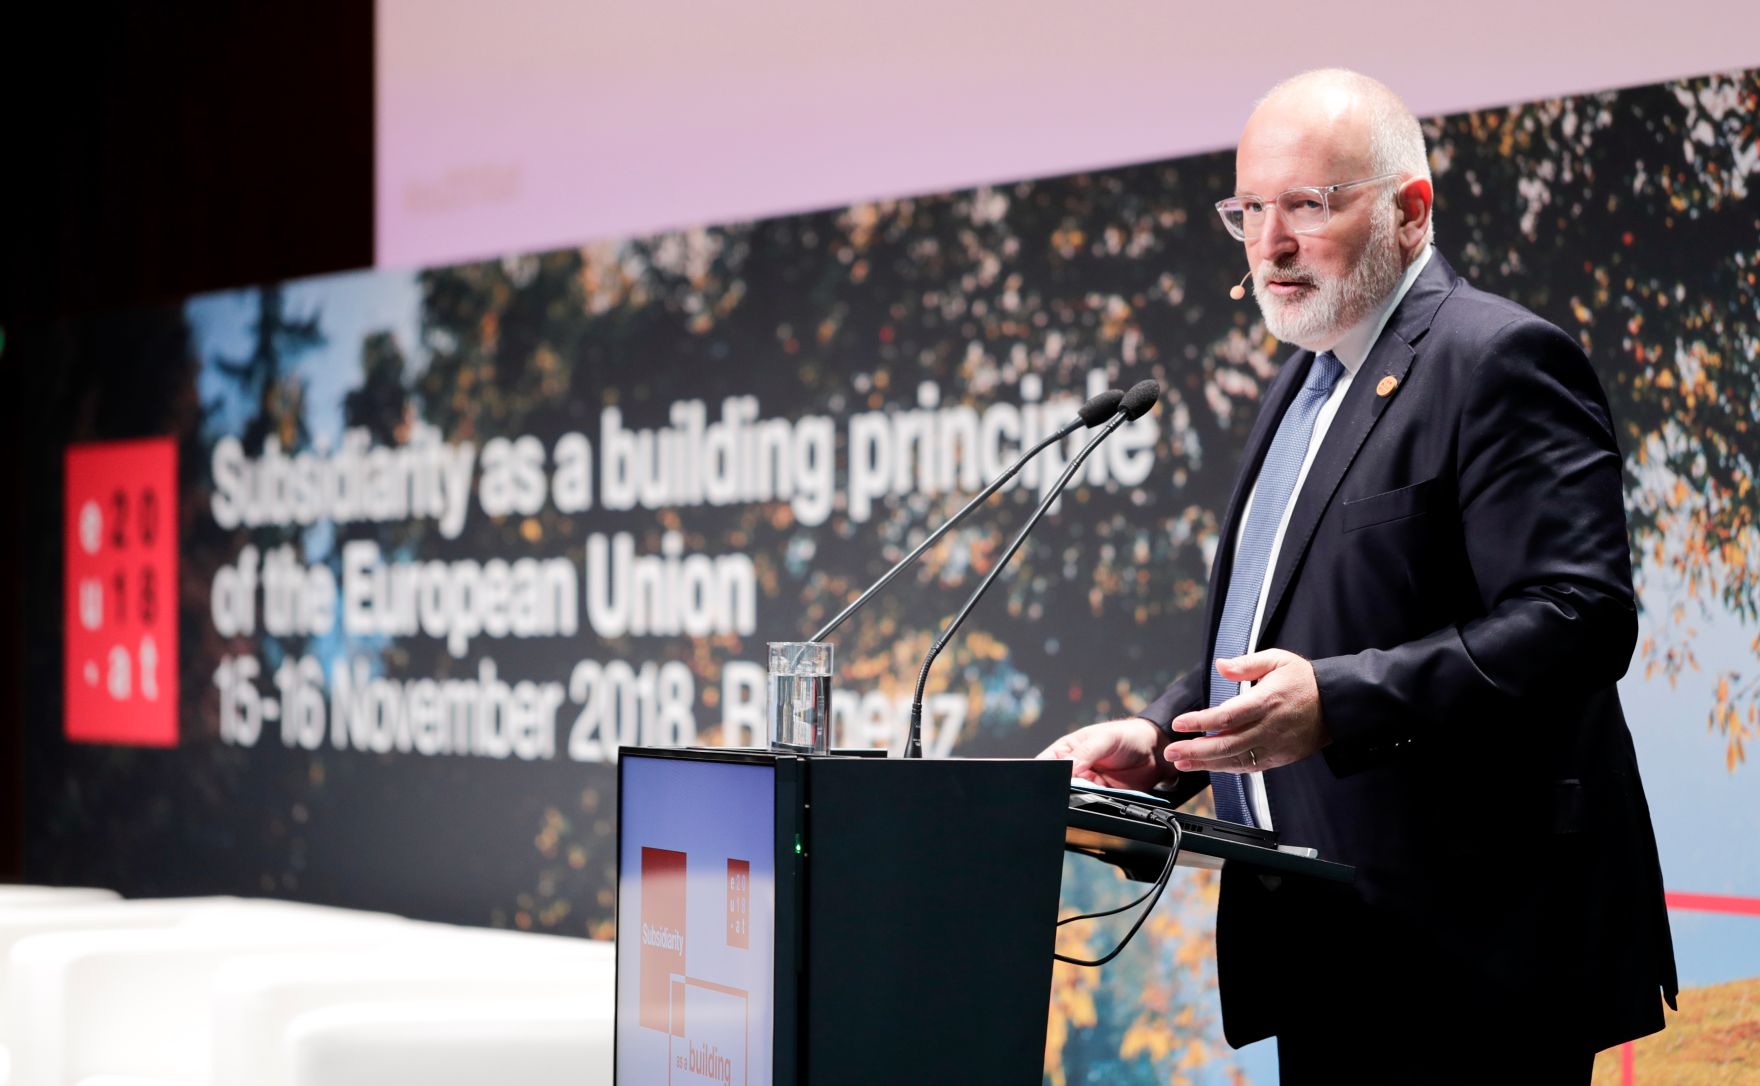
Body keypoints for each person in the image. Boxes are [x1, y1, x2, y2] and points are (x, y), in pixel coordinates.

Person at [1039, 69, 1677, 1082]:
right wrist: (1166, 740)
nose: (1269, 244)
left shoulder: (1498, 358)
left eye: (1307, 205)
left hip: (1472, 958)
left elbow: (1577, 616)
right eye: (1248, 210)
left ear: (1408, 210)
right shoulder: (1302, 379)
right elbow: (1293, 621)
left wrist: (1336, 702)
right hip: (1332, 946)